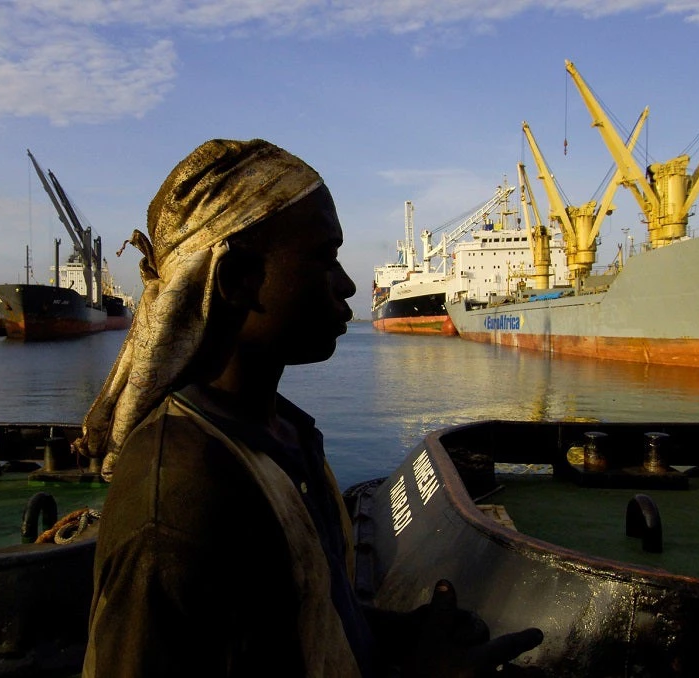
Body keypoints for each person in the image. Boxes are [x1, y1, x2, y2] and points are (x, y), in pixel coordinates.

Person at [74, 138, 541, 677]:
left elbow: (292, 626)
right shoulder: (179, 497)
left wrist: (396, 636)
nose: (346, 285)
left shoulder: (281, 434)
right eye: (324, 257)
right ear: (236, 282)